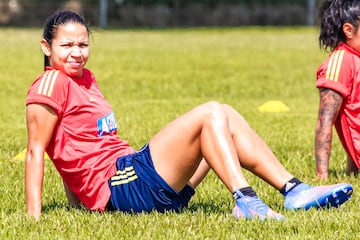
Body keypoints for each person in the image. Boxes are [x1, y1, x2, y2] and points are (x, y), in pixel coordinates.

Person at [25, 10, 353, 221]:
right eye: (67, 45)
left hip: (139, 185)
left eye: (82, 45)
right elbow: (37, 152)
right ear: (46, 46)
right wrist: (34, 216)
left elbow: (75, 150)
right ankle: (247, 201)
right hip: (124, 187)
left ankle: (294, 190)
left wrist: (77, 202)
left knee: (224, 113)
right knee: (210, 112)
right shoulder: (51, 83)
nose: (77, 53)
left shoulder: (84, 78)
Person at [315, 0, 360, 179]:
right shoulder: (340, 62)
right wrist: (322, 177)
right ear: (349, 30)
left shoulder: (356, 59)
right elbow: (325, 121)